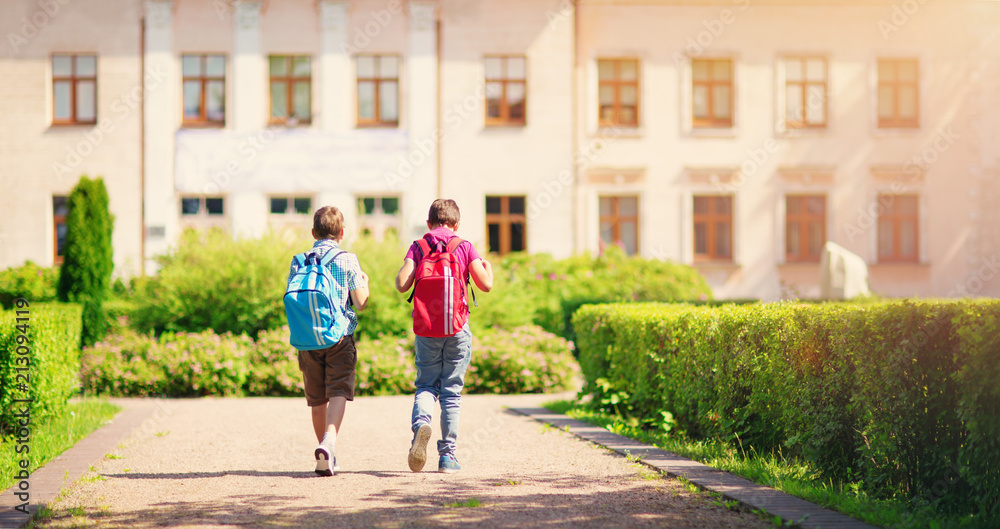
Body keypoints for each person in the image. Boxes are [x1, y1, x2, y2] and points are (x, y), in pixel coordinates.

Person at [394, 199, 494, 473]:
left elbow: (402, 285)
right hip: (457, 328)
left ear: (429, 224)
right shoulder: (464, 246)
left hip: (426, 328)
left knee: (426, 386)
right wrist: (489, 268)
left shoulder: (419, 246)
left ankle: (420, 426)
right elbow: (485, 285)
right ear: (456, 224)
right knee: (451, 393)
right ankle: (447, 457)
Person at [287, 206, 369, 476]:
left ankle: (325, 455)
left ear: (313, 232)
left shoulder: (299, 260)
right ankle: (329, 443)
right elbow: (360, 302)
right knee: (338, 391)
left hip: (307, 339)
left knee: (317, 398)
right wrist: (364, 283)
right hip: (339, 337)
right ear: (342, 233)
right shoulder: (348, 259)